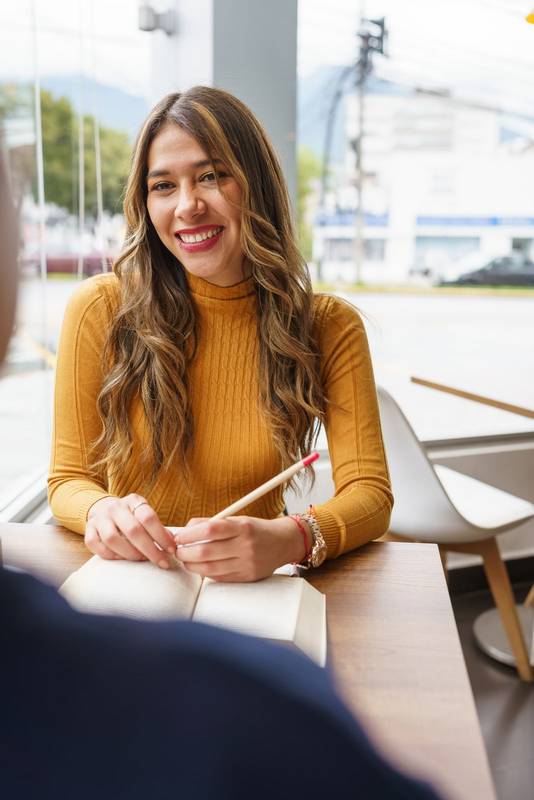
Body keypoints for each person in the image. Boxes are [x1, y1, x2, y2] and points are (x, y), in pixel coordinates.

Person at [48, 85, 393, 580]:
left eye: (211, 177)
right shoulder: (100, 308)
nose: (187, 206)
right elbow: (69, 480)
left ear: (256, 183)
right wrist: (100, 512)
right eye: (163, 186)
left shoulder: (329, 327)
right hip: (131, 583)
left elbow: (371, 495)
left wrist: (295, 536)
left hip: (255, 585)